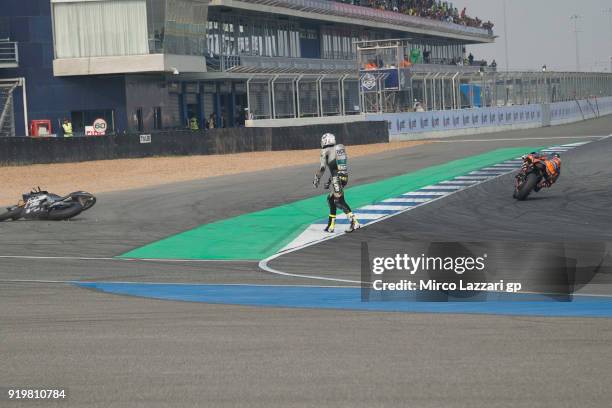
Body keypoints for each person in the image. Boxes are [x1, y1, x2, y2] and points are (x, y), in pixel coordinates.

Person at [313, 133, 360, 233]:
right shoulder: (340, 148)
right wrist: (329, 181)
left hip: (336, 179)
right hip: (343, 177)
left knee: (339, 201)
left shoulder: (325, 151)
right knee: (330, 199)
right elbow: (337, 167)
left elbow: (322, 168)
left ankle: (354, 222)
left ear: (326, 141)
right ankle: (331, 225)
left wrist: (316, 178)